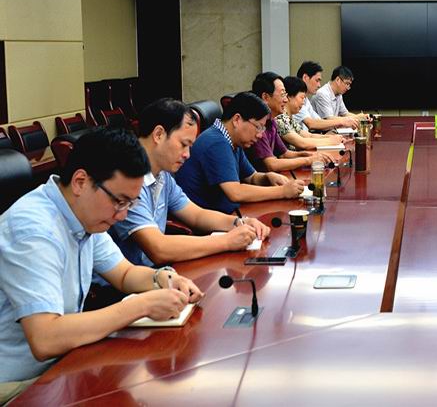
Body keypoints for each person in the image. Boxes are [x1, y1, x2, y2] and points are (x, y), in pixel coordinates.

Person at [0, 128, 203, 402]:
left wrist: (163, 278)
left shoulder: (82, 213)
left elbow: (125, 274)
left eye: (130, 204)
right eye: (119, 201)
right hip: (18, 385)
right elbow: (46, 338)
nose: (123, 215)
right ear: (81, 182)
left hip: (64, 363)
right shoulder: (34, 231)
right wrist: (142, 305)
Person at [109, 98, 269, 270]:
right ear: (159, 134)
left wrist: (240, 222)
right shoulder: (127, 178)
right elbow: (158, 248)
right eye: (183, 144)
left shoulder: (163, 175)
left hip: (153, 272)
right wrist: (227, 241)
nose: (187, 155)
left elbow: (196, 215)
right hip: (127, 280)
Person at [175, 92, 304, 214]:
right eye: (258, 127)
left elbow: (251, 177)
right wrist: (282, 191)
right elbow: (236, 192)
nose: (260, 135)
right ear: (237, 120)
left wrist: (267, 177)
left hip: (229, 212)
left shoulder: (234, 141)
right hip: (208, 221)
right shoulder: (216, 143)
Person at [249, 72, 336, 172]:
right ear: (265, 97)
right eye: (282, 95)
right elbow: (271, 164)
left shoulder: (271, 121)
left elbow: (284, 154)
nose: (286, 100)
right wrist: (308, 160)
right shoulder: (258, 125)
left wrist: (309, 155)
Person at [276, 76, 346, 151]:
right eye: (302, 98)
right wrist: (331, 141)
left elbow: (309, 136)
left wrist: (332, 138)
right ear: (289, 96)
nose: (303, 103)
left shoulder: (290, 119)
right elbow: (302, 143)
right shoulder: (280, 119)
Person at [295, 61, 359, 131]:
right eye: (317, 80)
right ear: (305, 78)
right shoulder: (296, 99)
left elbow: (318, 121)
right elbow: (312, 124)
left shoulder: (306, 100)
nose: (319, 85)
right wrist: (343, 122)